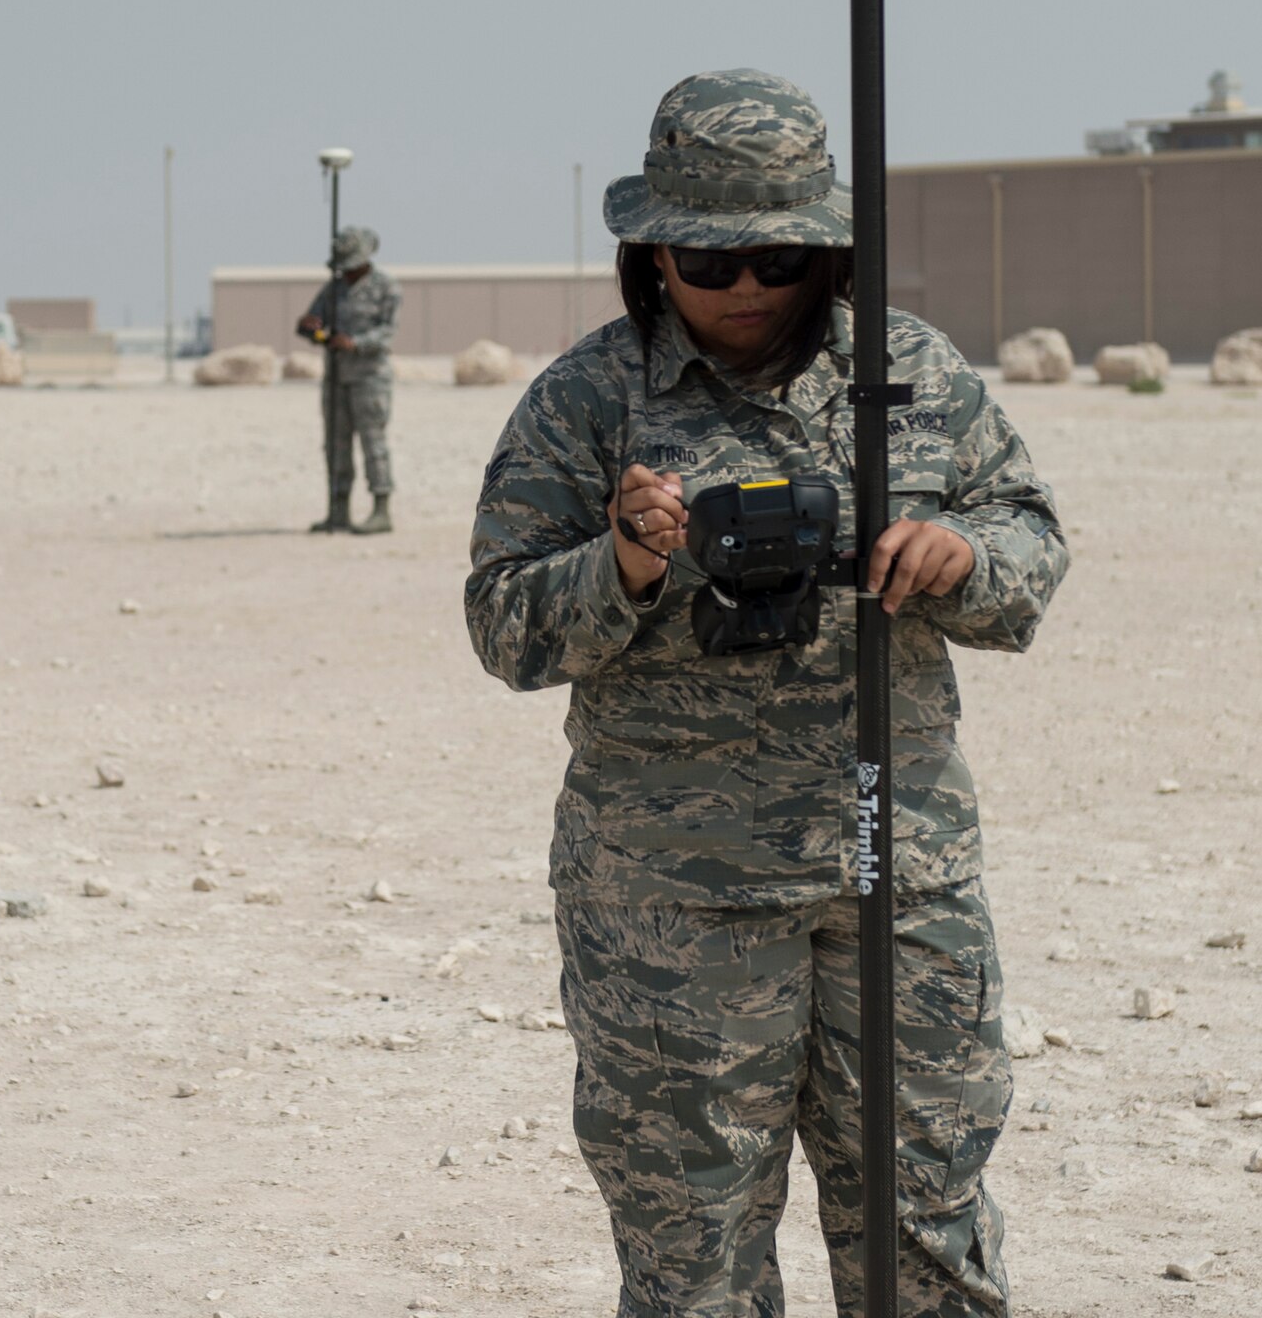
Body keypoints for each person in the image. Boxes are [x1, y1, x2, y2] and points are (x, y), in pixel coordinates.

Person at [464, 69, 1068, 1318]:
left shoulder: (908, 373)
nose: (745, 289)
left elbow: (1029, 544)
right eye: (708, 258)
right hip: (673, 896)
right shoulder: (589, 398)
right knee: (694, 1250)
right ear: (654, 254)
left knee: (928, 1233)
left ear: (829, 251)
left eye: (780, 259)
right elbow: (505, 622)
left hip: (889, 864)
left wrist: (963, 558)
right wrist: (624, 563)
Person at [297, 225, 400, 534]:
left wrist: (355, 343)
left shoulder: (386, 288)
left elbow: (387, 333)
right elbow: (313, 321)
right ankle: (338, 508)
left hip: (370, 379)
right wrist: (310, 328)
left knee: (373, 443)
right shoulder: (333, 289)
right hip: (336, 379)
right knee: (335, 446)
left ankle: (381, 510)